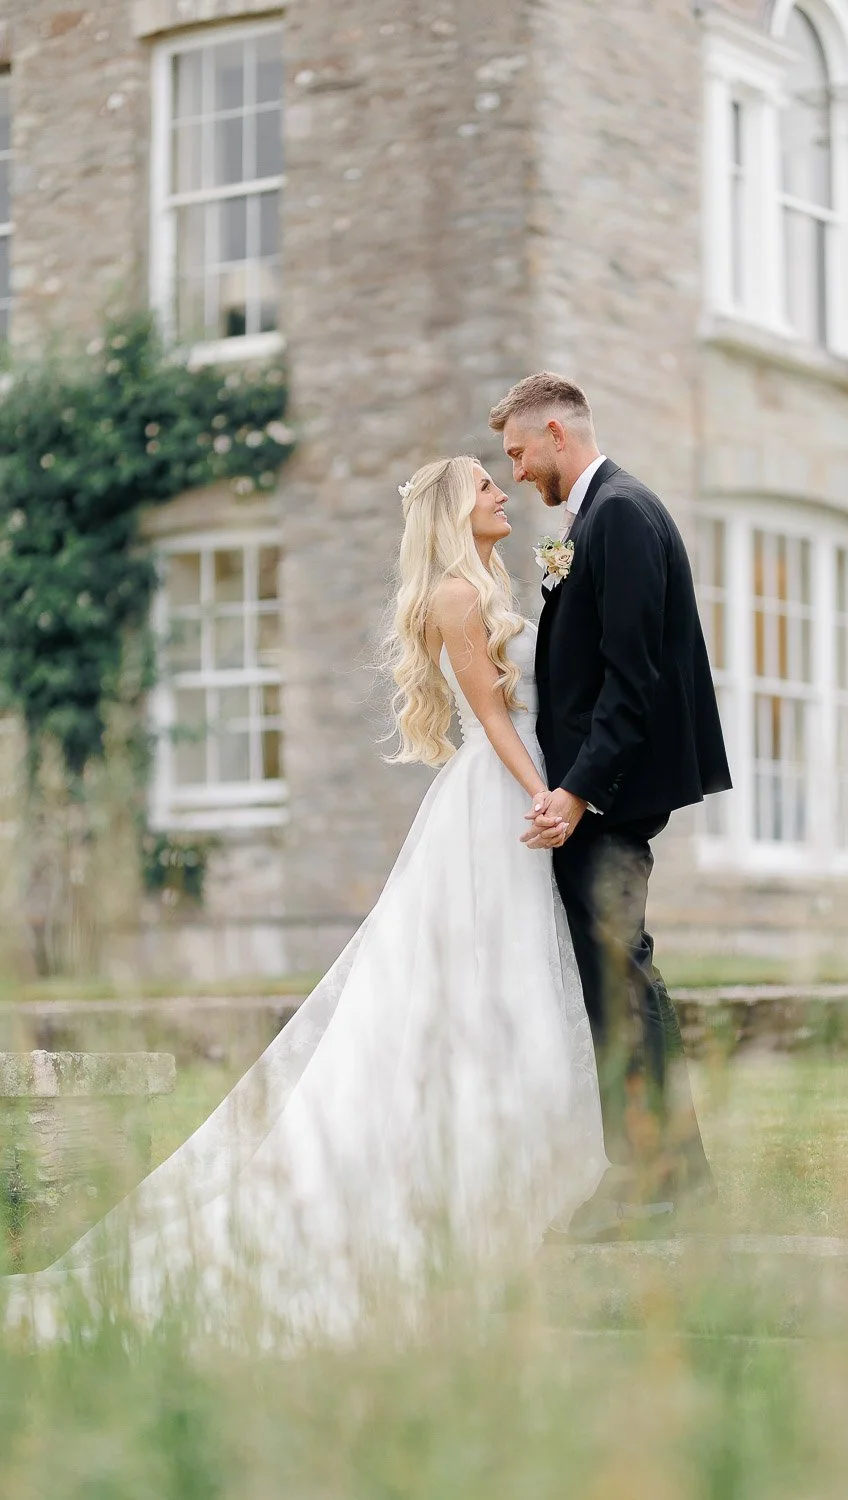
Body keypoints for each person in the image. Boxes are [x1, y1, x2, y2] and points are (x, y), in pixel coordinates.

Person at [3, 455, 607, 1345]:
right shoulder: (453, 595)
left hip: (517, 784)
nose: (501, 494)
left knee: (508, 973)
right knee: (487, 968)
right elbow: (490, 713)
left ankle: (508, 1157)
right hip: (498, 793)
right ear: (454, 508)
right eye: (486, 485)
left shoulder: (490, 581)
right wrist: (541, 798)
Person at [489, 373, 732, 1242]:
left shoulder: (621, 515)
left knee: (621, 980)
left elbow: (634, 680)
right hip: (601, 797)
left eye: (519, 452)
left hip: (610, 800)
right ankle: (663, 1177)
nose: (516, 471)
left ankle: (657, 1184)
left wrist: (578, 791)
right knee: (619, 978)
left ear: (557, 432)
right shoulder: (592, 518)